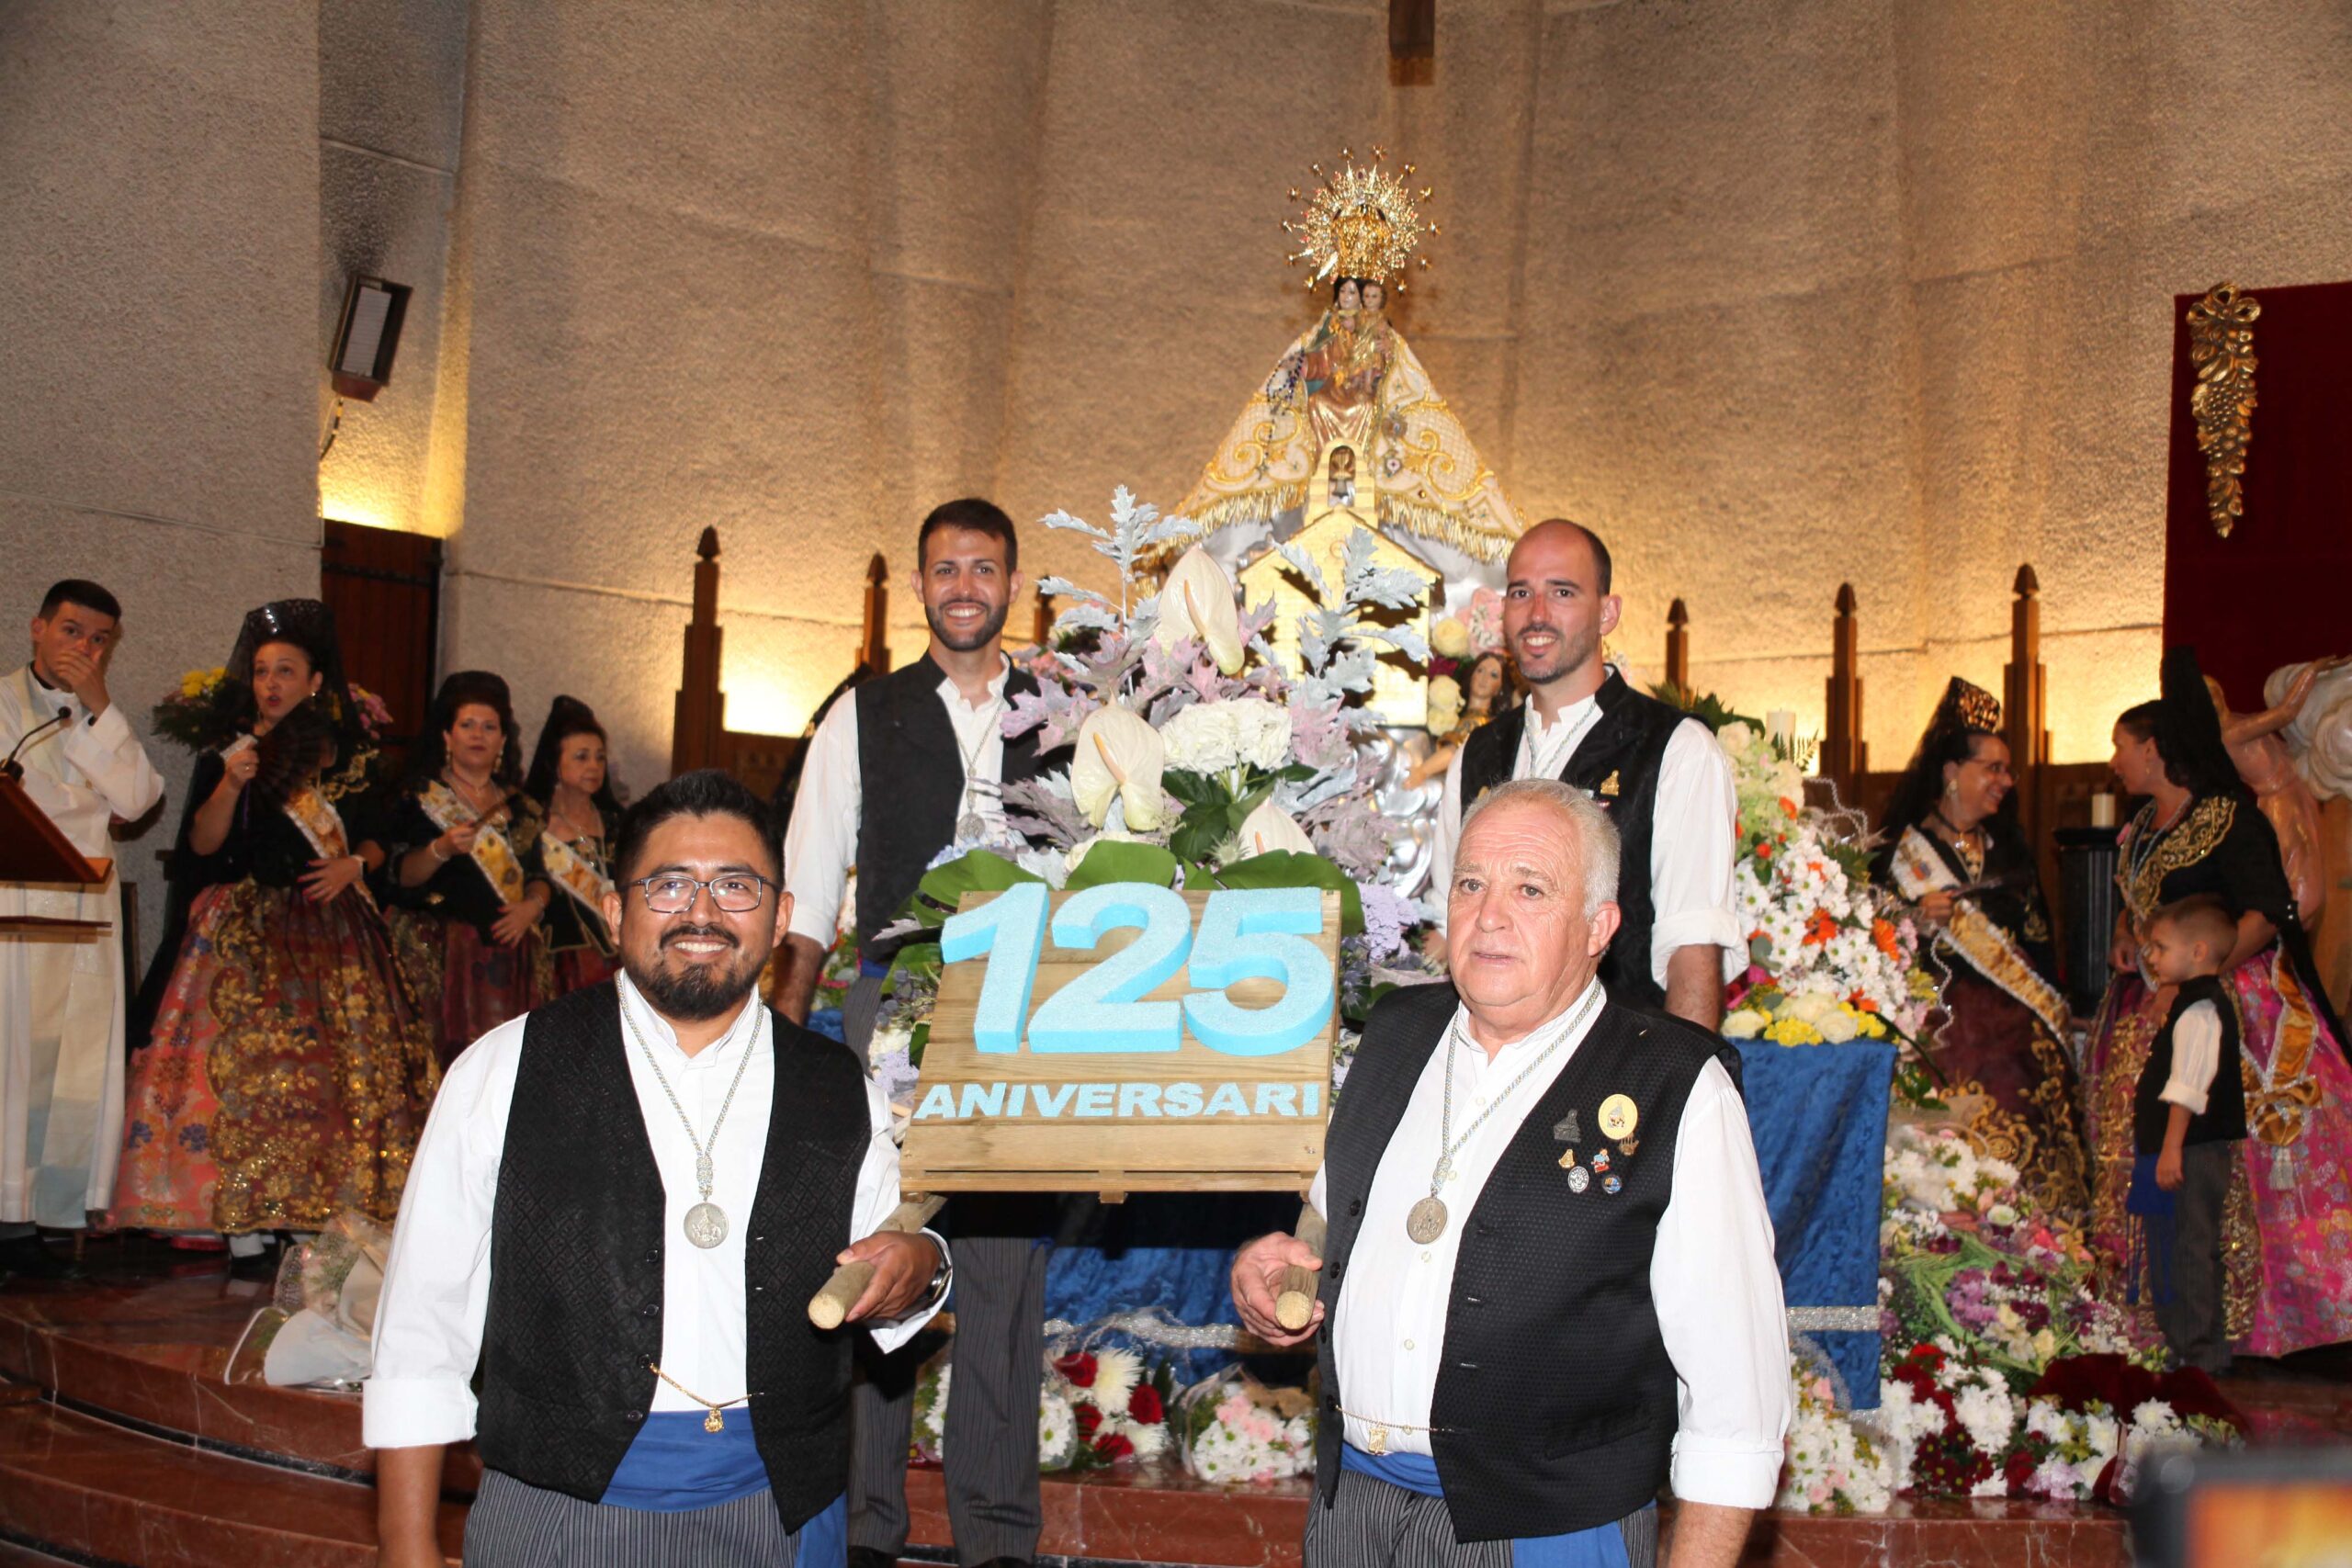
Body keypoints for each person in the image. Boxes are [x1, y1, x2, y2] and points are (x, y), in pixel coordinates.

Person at [367, 769, 950, 1567]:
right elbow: (418, 1328)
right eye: (670, 884)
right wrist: (404, 1546)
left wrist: (918, 1265)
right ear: (615, 911)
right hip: (557, 1512)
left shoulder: (832, 1083)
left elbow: (891, 1251)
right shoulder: (503, 1070)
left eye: (735, 885)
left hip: (781, 1511)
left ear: (781, 916)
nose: (702, 912)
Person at [1231, 779, 1787, 1568]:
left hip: (1544, 1529)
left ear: (1600, 926)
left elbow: (1738, 1399)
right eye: (1470, 884)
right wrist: (1278, 1267)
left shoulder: (1675, 1083)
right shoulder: (1394, 1033)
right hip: (1351, 1510)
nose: (1490, 915)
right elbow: (1327, 1226)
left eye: (1530, 888)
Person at [778, 498, 1060, 1568]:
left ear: (1010, 584)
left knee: (998, 1272)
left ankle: (997, 1539)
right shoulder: (864, 711)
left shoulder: (1064, 709)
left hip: (1025, 1017)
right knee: (874, 1251)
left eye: (983, 569)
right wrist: (790, 1030)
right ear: (921, 585)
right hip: (888, 1009)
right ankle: (865, 1531)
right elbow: (808, 886)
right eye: (945, 569)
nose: (963, 587)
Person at [108, 601, 436, 1268]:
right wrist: (230, 784)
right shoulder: (231, 752)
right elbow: (202, 843)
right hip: (242, 933)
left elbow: (377, 836)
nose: (271, 682)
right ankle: (242, 1223)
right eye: (262, 670)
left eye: (286, 670)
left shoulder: (347, 756)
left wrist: (355, 863)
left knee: (328, 1081)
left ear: (316, 679)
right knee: (244, 1074)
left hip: (333, 929)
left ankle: (315, 1219)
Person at [2086, 648, 2352, 1359]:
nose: (2115, 761)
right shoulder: (2141, 828)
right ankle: (2144, 1313)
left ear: (2154, 750)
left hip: (2227, 1003)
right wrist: (2125, 934)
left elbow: (2269, 910)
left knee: (2215, 1173)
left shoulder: (2229, 817)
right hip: (2148, 999)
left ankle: (2234, 1324)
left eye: (2122, 747)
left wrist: (2195, 977)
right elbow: (2138, 902)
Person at [1430, 520, 1739, 1028]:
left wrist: (1683, 1092)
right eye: (1521, 592)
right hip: (1492, 1069)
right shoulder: (1476, 754)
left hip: (1620, 1071)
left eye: (1563, 592)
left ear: (1607, 612)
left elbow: (1692, 949)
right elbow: (1455, 933)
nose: (1537, 614)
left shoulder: (1676, 749)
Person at [1874, 678, 2088, 1215]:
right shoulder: (1898, 855)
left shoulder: (2012, 850)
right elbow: (1869, 943)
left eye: (2008, 771)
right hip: (1940, 1031)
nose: (2006, 781)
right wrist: (1915, 920)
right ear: (1951, 772)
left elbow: (2039, 945)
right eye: (1993, 768)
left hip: (2022, 1040)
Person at [0, 581, 163, 1276]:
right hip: (16, 907)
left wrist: (99, 711)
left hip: (84, 914)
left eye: (99, 640)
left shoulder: (104, 717)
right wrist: (85, 806)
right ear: (37, 628)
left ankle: (48, 1214)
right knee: (14, 1066)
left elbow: (136, 798)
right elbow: (26, 804)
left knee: (73, 1072)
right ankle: (6, 1219)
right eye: (71, 631)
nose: (84, 649)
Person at [381, 671, 555, 1065]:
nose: (478, 735)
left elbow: (540, 877)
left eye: (489, 727)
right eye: (467, 725)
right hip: (434, 954)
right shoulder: (417, 797)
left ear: (503, 740)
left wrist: (531, 907)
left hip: (506, 959)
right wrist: (440, 849)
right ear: (447, 736)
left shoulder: (521, 808)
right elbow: (398, 876)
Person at [2128, 895, 2246, 1376]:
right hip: (2178, 1150)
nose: (2151, 958)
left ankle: (2201, 1356)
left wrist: (2172, 1147)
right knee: (2173, 1245)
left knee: (2191, 1247)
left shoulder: (2200, 1008)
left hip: (2190, 1152)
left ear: (2197, 951)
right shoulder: (2189, 1002)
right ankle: (2182, 1347)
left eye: (2160, 947)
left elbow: (2188, 1087)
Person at [524, 694, 622, 995]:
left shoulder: (620, 824)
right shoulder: (531, 823)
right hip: (556, 963)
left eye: (599, 757)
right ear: (555, 764)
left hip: (617, 963)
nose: (593, 766)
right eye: (581, 757)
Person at [1408, 649, 1515, 792]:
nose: (1484, 678)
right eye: (1480, 670)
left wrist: (1422, 771)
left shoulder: (1480, 721)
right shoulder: (1461, 715)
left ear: (1499, 690)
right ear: (1471, 675)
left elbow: (1454, 750)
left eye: (1493, 675)